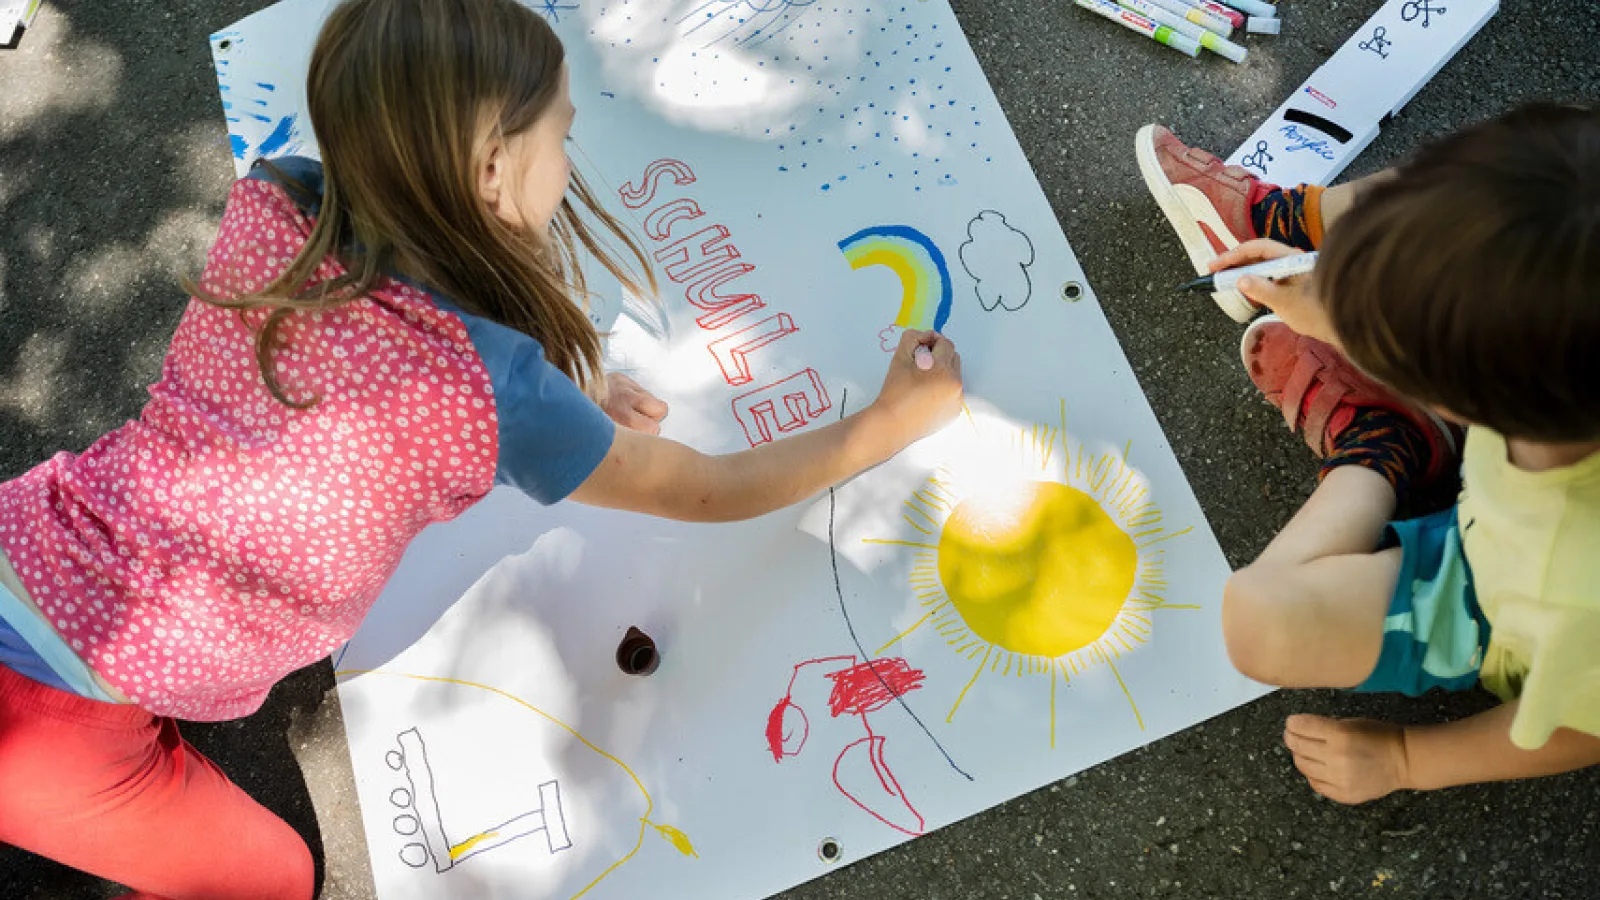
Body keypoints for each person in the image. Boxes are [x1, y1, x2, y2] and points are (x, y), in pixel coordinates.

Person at [0, 1, 962, 896]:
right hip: (51, 726)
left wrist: (564, 399)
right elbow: (703, 490)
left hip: (29, 544)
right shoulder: (488, 393)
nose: (572, 155)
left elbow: (401, 335)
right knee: (275, 879)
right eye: (565, 134)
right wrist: (885, 425)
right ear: (495, 171)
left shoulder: (278, 202)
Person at [1135, 104, 1600, 806]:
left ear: (1468, 406)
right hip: (1520, 514)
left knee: (1257, 620)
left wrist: (1408, 758)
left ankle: (1386, 445)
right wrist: (1329, 306)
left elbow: (1580, 726)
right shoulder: (1563, 363)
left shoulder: (1578, 590)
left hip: (1503, 603)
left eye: (1381, 339)